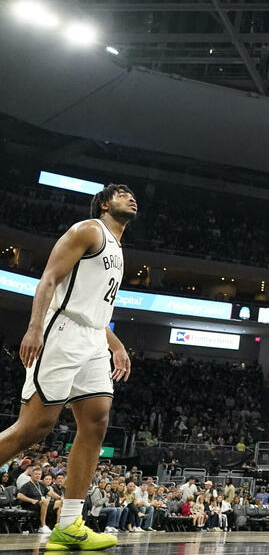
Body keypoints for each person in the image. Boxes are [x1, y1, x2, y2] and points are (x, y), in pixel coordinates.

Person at [0, 184, 135, 550]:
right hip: (62, 331)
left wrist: (116, 344)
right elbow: (49, 280)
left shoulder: (119, 250)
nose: (131, 197)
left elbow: (96, 310)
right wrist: (33, 327)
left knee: (96, 420)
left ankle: (71, 523)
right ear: (105, 204)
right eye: (122, 193)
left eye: (131, 194)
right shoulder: (89, 230)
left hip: (93, 339)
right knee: (35, 427)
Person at [17, 465, 63, 533]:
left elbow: (51, 493)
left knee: (60, 502)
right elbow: (19, 495)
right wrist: (31, 500)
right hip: (31, 504)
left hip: (42, 503)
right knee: (45, 501)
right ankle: (42, 526)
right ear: (32, 475)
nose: (38, 476)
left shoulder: (41, 484)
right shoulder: (27, 485)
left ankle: (57, 525)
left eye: (39, 474)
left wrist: (60, 497)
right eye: (36, 474)